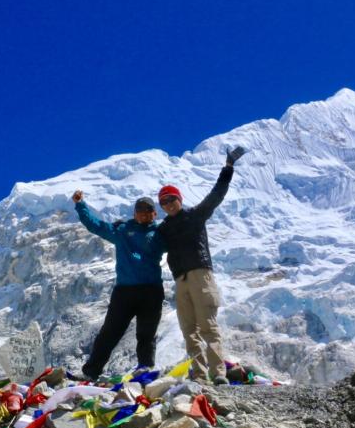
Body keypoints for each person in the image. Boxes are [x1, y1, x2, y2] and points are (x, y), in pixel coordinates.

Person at [157, 146, 246, 384]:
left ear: (179, 199)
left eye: (171, 199)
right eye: (163, 201)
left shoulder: (195, 215)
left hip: (200, 274)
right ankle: (199, 374)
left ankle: (218, 373)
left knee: (207, 325)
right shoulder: (163, 228)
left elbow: (216, 195)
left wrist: (228, 167)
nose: (168, 203)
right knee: (188, 329)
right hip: (181, 280)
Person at [71, 190, 166, 380]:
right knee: (109, 333)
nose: (144, 213)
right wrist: (80, 205)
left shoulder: (160, 234)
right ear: (134, 213)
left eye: (148, 210)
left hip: (152, 291)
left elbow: (181, 243)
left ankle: (145, 370)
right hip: (124, 292)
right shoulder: (121, 231)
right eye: (140, 210)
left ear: (154, 214)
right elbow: (95, 225)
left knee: (146, 334)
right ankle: (91, 372)